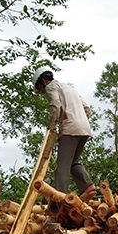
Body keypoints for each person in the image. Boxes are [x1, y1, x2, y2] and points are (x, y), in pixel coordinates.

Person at [32, 67, 97, 197]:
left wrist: (53, 127)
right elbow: (87, 109)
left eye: (41, 89)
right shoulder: (69, 88)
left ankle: (59, 198)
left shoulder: (51, 87)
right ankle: (87, 186)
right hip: (84, 129)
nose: (44, 93)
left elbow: (55, 104)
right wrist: (79, 121)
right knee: (73, 161)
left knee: (62, 166)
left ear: (44, 82)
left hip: (69, 130)